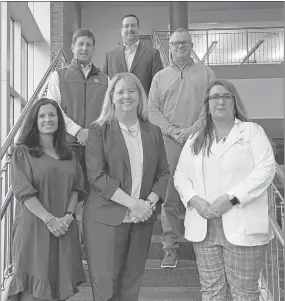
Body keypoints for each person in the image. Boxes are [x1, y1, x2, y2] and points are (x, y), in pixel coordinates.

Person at [174, 79, 275, 300]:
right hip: (205, 225)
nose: (220, 101)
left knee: (245, 292)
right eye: (214, 97)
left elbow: (266, 169)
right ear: (207, 105)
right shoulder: (195, 138)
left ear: (234, 101)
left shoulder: (251, 132)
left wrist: (232, 199)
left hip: (242, 222)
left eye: (226, 96)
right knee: (211, 290)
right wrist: (195, 201)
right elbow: (180, 175)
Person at [83, 72, 169, 301]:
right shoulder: (98, 130)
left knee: (132, 285)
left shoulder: (153, 131)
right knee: (106, 286)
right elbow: (97, 177)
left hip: (141, 219)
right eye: (120, 91)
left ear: (140, 96)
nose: (126, 96)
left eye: (132, 90)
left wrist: (148, 204)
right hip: (106, 219)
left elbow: (163, 173)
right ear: (111, 97)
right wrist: (133, 204)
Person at [148, 28, 215, 268]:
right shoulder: (160, 77)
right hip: (169, 140)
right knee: (169, 196)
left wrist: (191, 130)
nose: (181, 46)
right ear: (170, 47)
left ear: (192, 45)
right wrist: (172, 130)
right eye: (176, 43)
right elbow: (152, 110)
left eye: (185, 43)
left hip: (198, 138)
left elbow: (211, 107)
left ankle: (204, 246)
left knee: (200, 194)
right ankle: (170, 249)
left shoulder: (206, 73)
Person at [8, 98, 86, 301]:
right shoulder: (23, 153)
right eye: (42, 115)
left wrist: (67, 218)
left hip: (64, 228)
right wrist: (50, 220)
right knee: (32, 293)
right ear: (34, 121)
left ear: (59, 120)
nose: (47, 119)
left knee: (58, 289)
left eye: (52, 115)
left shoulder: (70, 156)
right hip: (35, 228)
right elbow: (23, 191)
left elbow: (77, 189)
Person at [47, 28, 108, 258]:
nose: (84, 48)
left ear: (94, 49)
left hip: (96, 148)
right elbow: (54, 109)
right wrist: (76, 131)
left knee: (94, 200)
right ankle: (68, 250)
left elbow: (107, 112)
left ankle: (90, 248)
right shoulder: (58, 76)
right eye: (80, 44)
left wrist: (90, 133)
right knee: (67, 199)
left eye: (88, 45)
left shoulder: (105, 79)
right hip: (66, 146)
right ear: (72, 47)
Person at [102, 14, 163, 96]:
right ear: (121, 30)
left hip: (144, 107)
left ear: (139, 29)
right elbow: (103, 86)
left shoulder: (153, 54)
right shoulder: (110, 56)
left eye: (133, 25)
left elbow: (159, 85)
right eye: (126, 26)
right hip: (117, 107)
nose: (130, 29)